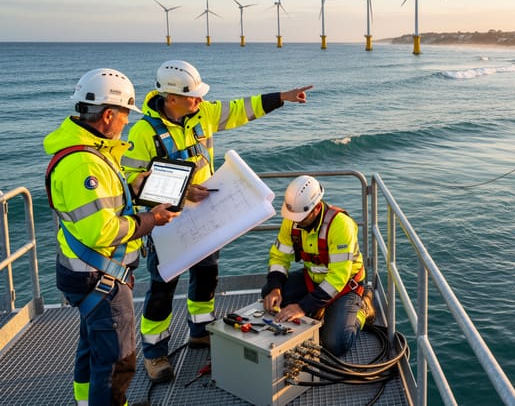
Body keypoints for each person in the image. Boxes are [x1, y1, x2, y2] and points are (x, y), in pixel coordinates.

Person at [121, 59, 313, 383]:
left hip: (207, 218)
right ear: (170, 98)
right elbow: (132, 181)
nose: (199, 100)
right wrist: (182, 194)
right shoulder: (143, 132)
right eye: (192, 96)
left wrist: (283, 96)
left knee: (207, 275)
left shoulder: (204, 114)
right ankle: (155, 355)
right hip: (166, 223)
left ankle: (200, 331)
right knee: (162, 289)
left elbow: (241, 108)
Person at [44, 68, 179, 405]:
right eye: (123, 116)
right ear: (107, 115)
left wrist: (133, 188)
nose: (125, 123)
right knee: (117, 362)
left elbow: (101, 205)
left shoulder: (91, 152)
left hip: (85, 273)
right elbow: (101, 230)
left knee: (92, 347)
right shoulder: (84, 165)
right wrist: (150, 219)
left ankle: (85, 402)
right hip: (98, 277)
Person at [261, 175, 375, 356]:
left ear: (315, 208)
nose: (295, 221)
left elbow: (338, 278)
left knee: (335, 344)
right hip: (312, 280)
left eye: (301, 217)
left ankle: (362, 309)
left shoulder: (341, 226)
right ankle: (320, 307)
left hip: (344, 287)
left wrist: (303, 307)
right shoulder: (292, 220)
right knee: (268, 294)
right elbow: (279, 257)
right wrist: (275, 288)